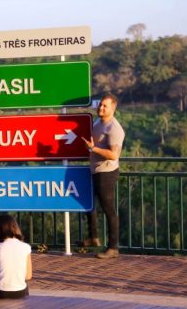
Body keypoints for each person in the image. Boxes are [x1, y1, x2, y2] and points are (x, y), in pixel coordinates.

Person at [81, 93, 125, 259]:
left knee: (109, 210)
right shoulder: (98, 122)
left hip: (106, 172)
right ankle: (94, 238)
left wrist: (93, 149)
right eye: (100, 105)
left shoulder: (114, 129)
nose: (101, 107)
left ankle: (113, 248)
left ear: (112, 108)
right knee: (88, 203)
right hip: (94, 170)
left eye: (105, 106)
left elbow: (114, 155)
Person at [0, 214, 32, 299]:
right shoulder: (26, 247)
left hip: (1, 292)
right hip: (20, 293)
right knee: (25, 286)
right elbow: (28, 276)